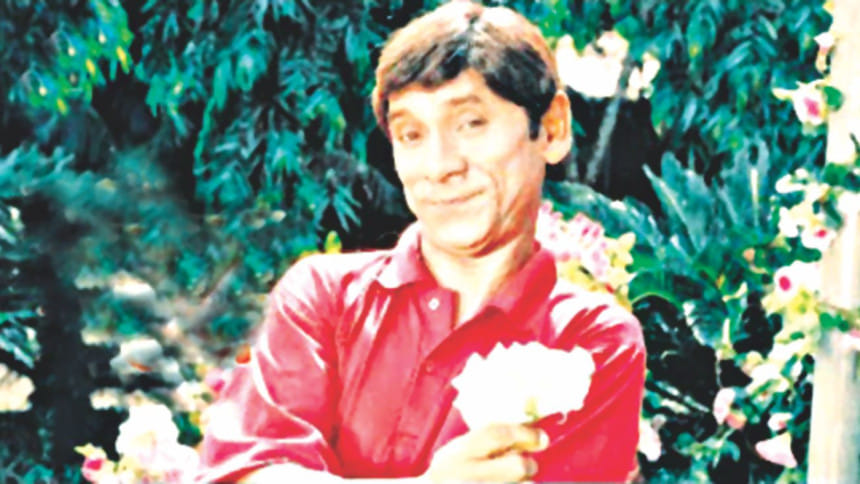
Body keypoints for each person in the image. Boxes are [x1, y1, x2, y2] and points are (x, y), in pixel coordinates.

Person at [196, 1, 646, 482]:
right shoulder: (325, 298)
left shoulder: (591, 342)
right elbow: (252, 472)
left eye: (470, 123)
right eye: (411, 134)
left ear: (552, 128)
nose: (439, 166)